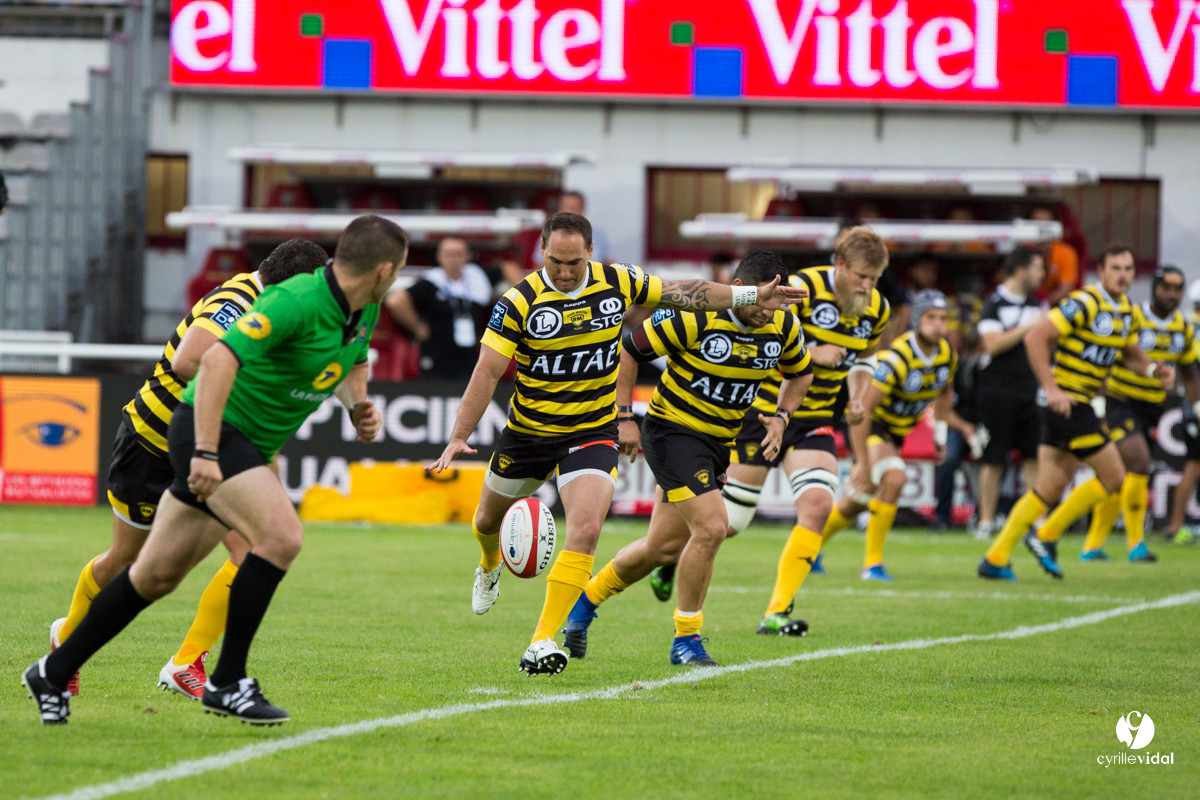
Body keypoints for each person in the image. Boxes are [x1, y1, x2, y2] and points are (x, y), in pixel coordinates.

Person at [23, 215, 408, 725]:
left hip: (237, 440)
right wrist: (204, 451)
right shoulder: (292, 300)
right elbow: (215, 361)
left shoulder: (364, 307)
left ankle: (53, 670)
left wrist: (358, 406)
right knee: (280, 537)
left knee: (155, 576)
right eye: (400, 268)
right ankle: (226, 681)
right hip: (208, 434)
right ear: (385, 269)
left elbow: (356, 357)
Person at [428, 211, 804, 677]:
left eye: (573, 262)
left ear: (591, 252)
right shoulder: (519, 300)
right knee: (487, 521)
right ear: (542, 250)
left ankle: (542, 640)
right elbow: (487, 371)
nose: (564, 271)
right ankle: (488, 564)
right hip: (529, 433)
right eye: (554, 261)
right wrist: (459, 436)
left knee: (586, 529)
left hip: (592, 430)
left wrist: (751, 294)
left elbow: (683, 292)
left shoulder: (618, 280)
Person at [49, 238, 329, 700]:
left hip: (217, 450)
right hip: (154, 442)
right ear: (296, 283)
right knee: (128, 563)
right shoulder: (235, 301)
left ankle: (186, 663)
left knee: (254, 550)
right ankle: (67, 638)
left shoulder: (275, 310)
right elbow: (188, 361)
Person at [559, 251, 813, 666]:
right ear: (741, 291)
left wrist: (782, 417)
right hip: (671, 433)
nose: (771, 312)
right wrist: (624, 417)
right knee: (714, 527)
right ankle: (686, 640)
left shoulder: (783, 323)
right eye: (764, 302)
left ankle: (582, 607)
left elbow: (801, 372)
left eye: (777, 303)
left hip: (717, 444)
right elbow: (627, 351)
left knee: (661, 549)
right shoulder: (696, 315)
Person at [654, 227, 889, 635]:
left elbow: (866, 358)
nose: (867, 287)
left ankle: (776, 611)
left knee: (817, 506)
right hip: (759, 413)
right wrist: (815, 354)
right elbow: (765, 331)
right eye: (862, 277)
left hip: (812, 419)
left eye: (874, 279)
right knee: (727, 524)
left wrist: (858, 394)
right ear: (840, 265)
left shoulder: (877, 309)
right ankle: (669, 556)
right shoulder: (798, 288)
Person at [978, 245, 1174, 581]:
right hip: (1066, 403)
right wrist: (1052, 389)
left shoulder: (1126, 310)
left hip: (1074, 404)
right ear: (1101, 271)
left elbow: (1130, 353)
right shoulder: (1084, 303)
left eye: (1128, 268)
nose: (1123, 275)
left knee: (1049, 488)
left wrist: (1154, 368)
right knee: (1115, 478)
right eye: (1116, 268)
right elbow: (1036, 339)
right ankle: (1046, 535)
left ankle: (995, 558)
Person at [821, 290, 972, 579]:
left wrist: (940, 436)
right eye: (931, 317)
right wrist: (861, 462)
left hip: (894, 435)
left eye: (943, 318)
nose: (938, 324)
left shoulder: (946, 355)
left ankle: (812, 545)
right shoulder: (896, 359)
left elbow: (943, 397)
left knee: (858, 500)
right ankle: (872, 565)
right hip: (870, 426)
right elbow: (860, 410)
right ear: (917, 320)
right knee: (895, 478)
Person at [1065, 266, 1198, 560]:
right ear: (1154, 287)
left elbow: (1189, 373)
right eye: (1167, 287)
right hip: (1119, 401)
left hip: (1153, 407)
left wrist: (1198, 407)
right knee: (1139, 462)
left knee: (1119, 474)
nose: (1172, 294)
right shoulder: (1132, 317)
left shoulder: (1184, 328)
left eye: (1177, 288)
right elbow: (1107, 355)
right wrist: (1097, 399)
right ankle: (1135, 543)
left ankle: (1091, 545)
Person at [973, 248, 1048, 540]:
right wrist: (1028, 326)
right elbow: (992, 344)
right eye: (1038, 268)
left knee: (1033, 458)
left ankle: (1037, 521)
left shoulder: (1038, 303)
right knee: (994, 458)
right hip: (998, 393)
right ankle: (986, 521)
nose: (1042, 275)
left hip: (1031, 391)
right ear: (1020, 270)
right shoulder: (993, 303)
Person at [385, 236, 497, 380]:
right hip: (436, 355)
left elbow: (506, 267)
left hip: (468, 355)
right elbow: (395, 300)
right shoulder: (431, 282)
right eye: (449, 255)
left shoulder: (477, 278)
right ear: (439, 257)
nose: (454, 259)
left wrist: (530, 296)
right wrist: (418, 328)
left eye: (458, 254)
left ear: (468, 257)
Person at [1167, 279, 1200, 542]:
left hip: (1193, 408)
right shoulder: (1193, 328)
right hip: (1196, 409)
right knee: (1194, 466)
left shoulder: (1186, 324)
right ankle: (1176, 526)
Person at [1031, 206, 1080, 305]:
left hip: (1055, 305)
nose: (1041, 227)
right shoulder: (1024, 248)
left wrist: (1044, 304)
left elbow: (1066, 288)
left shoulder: (1065, 252)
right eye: (1037, 222)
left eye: (1045, 224)